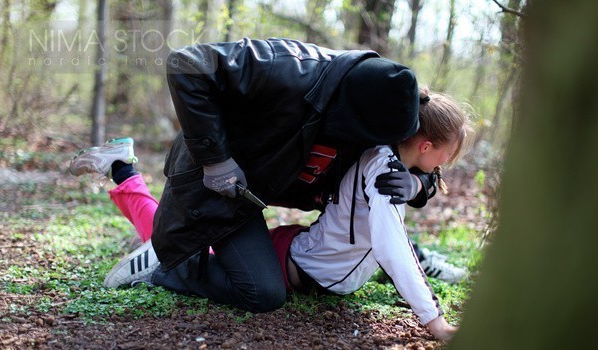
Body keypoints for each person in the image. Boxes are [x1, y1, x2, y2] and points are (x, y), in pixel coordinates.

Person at [69, 86, 472, 340]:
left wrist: (421, 184)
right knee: (178, 244)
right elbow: (389, 243)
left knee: (173, 235)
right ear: (425, 145)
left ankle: (121, 168)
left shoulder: (390, 164)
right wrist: (433, 320)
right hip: (287, 263)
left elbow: (376, 233)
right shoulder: (382, 168)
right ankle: (162, 263)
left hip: (301, 251)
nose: (446, 165)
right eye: (448, 155)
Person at [147, 37, 443, 314]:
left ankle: (421, 257)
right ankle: (165, 265)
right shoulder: (286, 66)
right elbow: (187, 64)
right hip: (222, 185)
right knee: (263, 293)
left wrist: (417, 183)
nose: (381, 148)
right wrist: (216, 160)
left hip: (268, 187)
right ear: (354, 112)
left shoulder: (389, 102)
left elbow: (426, 151)